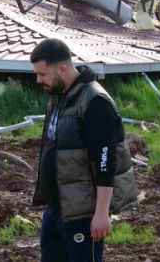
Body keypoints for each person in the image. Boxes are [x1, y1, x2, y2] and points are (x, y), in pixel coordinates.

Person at [30, 38, 137, 262]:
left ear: (62, 68)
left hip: (83, 213)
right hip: (57, 206)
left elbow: (106, 161)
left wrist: (101, 213)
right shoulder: (59, 97)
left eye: (42, 74)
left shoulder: (95, 102)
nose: (38, 80)